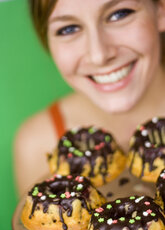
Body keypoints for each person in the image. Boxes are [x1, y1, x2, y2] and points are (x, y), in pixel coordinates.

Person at [14, 0, 165, 197]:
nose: (99, 55)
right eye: (68, 29)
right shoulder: (36, 144)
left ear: (161, 9)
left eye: (119, 14)